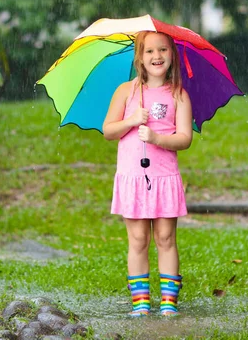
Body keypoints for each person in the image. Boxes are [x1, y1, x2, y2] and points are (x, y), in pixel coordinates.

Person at [103, 31, 193, 316]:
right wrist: (131, 120)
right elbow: (108, 130)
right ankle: (141, 303)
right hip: (133, 177)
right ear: (139, 58)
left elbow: (185, 138)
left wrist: (156, 138)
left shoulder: (178, 94)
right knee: (138, 239)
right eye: (150, 51)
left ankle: (169, 303)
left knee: (166, 237)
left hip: (164, 177)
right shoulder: (125, 92)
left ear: (172, 55)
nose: (157, 56)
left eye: (163, 50)